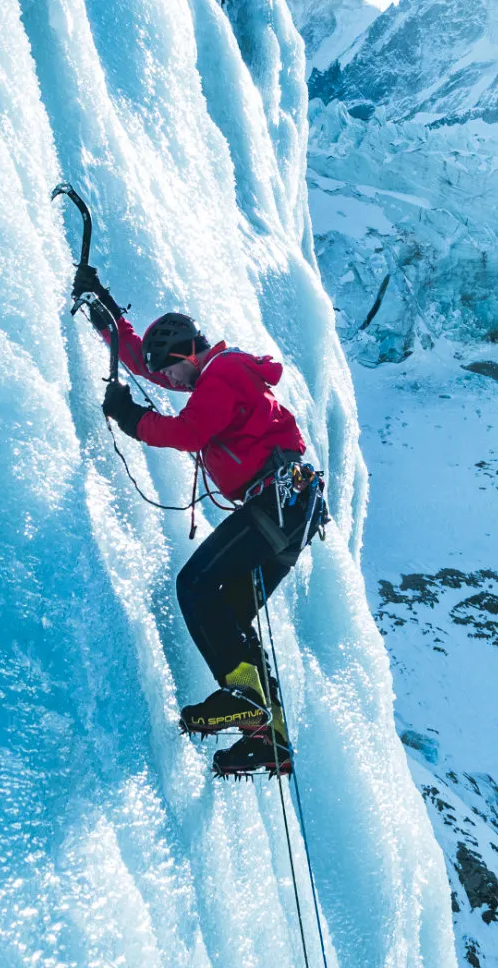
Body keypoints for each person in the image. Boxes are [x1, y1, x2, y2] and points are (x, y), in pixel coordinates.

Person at [71, 264, 325, 776]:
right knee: (228, 615)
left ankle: (247, 702)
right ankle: (267, 738)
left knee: (194, 586)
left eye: (170, 372)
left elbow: (187, 433)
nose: (166, 382)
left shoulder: (224, 371)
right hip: (288, 515)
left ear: (187, 353)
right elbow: (145, 367)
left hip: (276, 506)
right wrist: (107, 319)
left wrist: (132, 420)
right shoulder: (213, 378)